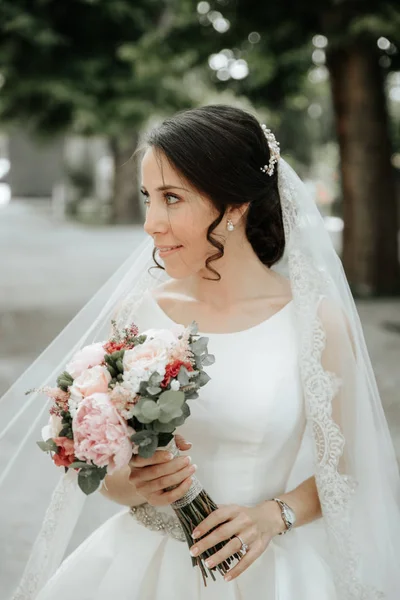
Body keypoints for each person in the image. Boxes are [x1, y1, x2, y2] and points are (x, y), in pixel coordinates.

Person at [1, 105, 399, 600]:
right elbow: (110, 479)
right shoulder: (137, 314)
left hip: (262, 574)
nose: (151, 224)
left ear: (234, 206)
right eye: (149, 198)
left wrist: (274, 515)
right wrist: (141, 483)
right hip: (138, 568)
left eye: (171, 198)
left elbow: (349, 468)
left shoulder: (316, 323)